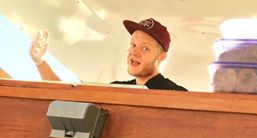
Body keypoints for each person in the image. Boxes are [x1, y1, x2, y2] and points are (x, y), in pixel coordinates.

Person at [29, 18, 187, 91]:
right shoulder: (117, 89)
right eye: (133, 44)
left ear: (161, 57)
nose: (134, 52)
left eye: (145, 48)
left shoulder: (176, 94)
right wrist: (40, 62)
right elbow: (70, 98)